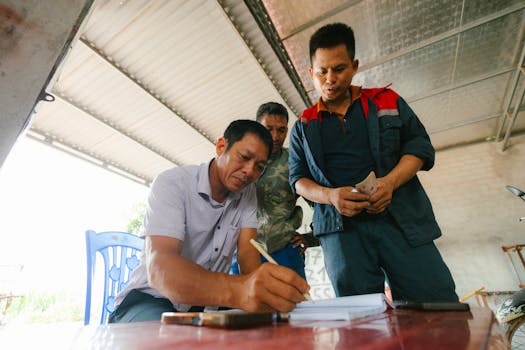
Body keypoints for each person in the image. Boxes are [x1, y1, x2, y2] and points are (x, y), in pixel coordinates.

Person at [288, 23, 458, 302]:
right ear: (311, 73)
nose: (330, 79)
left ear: (354, 66)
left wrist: (389, 183)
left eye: (339, 69)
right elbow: (298, 179)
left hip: (400, 220)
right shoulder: (304, 125)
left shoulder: (387, 101)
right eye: (322, 71)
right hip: (342, 233)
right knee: (361, 316)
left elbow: (419, 146)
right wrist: (330, 196)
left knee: (434, 302)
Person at [110, 120, 310, 323]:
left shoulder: (248, 194)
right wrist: (241, 290)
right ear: (221, 146)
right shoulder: (172, 183)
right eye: (244, 157)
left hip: (203, 305)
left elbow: (248, 256)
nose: (250, 171)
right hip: (151, 299)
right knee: (167, 340)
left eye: (259, 167)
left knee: (267, 329)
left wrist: (264, 292)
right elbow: (161, 270)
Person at [230, 102, 317, 279]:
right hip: (243, 249)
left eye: (282, 130)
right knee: (244, 304)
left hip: (284, 250)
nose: (276, 136)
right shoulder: (238, 160)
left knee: (294, 304)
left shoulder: (295, 163)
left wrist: (312, 237)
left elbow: (321, 204)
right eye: (269, 129)